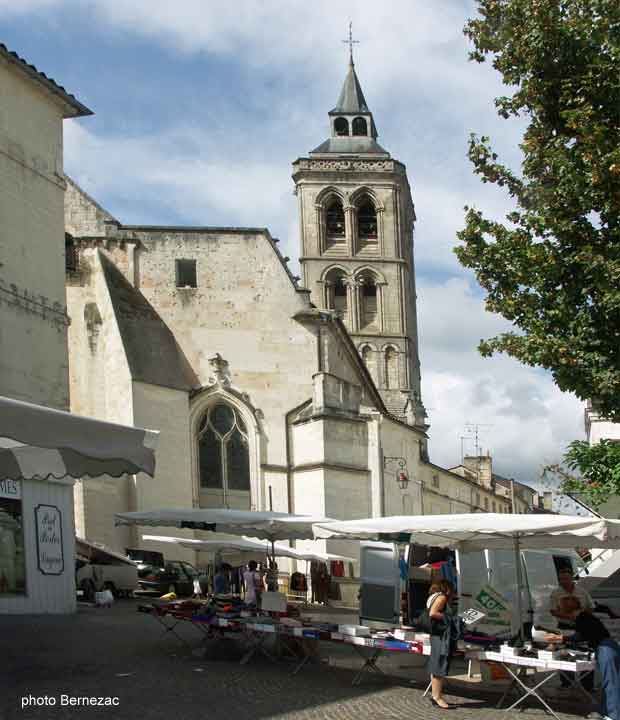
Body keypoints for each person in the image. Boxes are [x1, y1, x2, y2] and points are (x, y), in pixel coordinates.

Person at [546, 598, 620, 720]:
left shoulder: (582, 618)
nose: (558, 611)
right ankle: (608, 713)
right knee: (610, 682)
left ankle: (614, 716)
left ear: (566, 609)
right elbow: (585, 635)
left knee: (611, 683)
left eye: (560, 608)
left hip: (606, 649)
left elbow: (581, 636)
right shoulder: (583, 617)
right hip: (606, 647)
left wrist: (561, 638)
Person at [550, 568, 594, 689]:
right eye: (561, 579)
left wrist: (582, 616)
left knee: (585, 655)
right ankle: (566, 683)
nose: (563, 581)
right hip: (564, 627)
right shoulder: (556, 593)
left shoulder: (582, 591)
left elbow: (591, 607)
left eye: (566, 578)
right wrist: (568, 616)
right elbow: (553, 611)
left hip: (582, 628)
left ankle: (587, 685)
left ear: (571, 578)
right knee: (564, 655)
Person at [427, 579, 459, 710]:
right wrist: (450, 618)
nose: (453, 592)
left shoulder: (433, 596)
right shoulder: (441, 597)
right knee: (439, 665)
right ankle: (437, 697)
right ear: (447, 588)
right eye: (452, 589)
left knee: (437, 665)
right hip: (440, 636)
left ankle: (436, 695)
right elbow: (433, 613)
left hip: (436, 635)